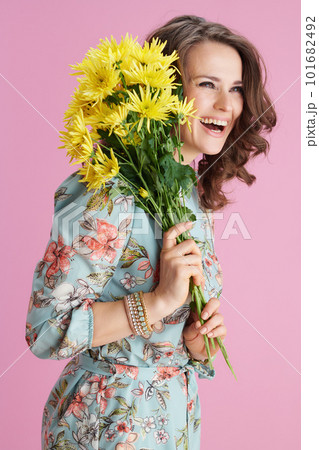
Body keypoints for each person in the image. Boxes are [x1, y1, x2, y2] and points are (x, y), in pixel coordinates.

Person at [26, 15, 276, 449]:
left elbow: (169, 335)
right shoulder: (108, 192)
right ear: (161, 93)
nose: (226, 105)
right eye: (207, 85)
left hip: (175, 418)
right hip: (105, 422)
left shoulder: (191, 195)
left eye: (235, 88)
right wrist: (157, 301)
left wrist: (197, 342)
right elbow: (46, 330)